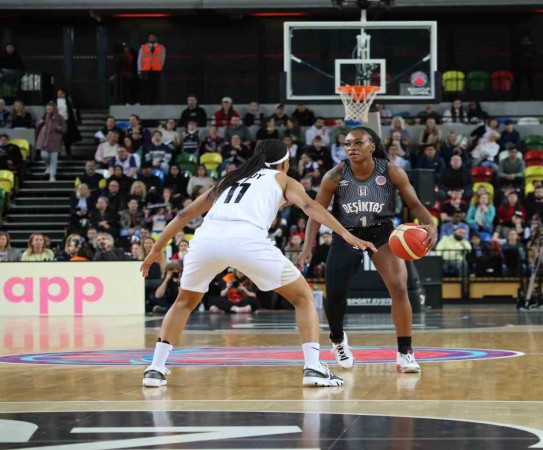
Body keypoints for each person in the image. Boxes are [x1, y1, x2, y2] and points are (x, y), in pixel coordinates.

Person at [140, 139, 376, 388]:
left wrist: (156, 249)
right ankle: (313, 367)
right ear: (284, 162)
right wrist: (347, 234)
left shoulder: (229, 179)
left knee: (184, 303)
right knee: (303, 298)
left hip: (206, 240)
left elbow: (184, 215)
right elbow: (308, 206)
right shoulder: (282, 179)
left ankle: (155, 368)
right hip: (246, 240)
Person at [297, 127, 438, 374]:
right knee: (336, 293)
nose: (351, 148)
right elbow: (315, 213)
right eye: (347, 144)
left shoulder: (391, 171)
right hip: (347, 235)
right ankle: (338, 340)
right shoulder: (335, 175)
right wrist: (308, 245)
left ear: (372, 146)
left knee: (399, 287)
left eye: (358, 143)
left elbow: (414, 203)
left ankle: (405, 353)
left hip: (381, 234)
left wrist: (431, 223)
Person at [35, 101, 67, 182]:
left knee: (54, 159)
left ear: (54, 109)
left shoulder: (59, 118)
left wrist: (57, 127)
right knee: (44, 155)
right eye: (47, 109)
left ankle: (52, 176)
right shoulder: (44, 116)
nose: (48, 110)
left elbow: (64, 129)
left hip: (55, 141)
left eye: (50, 109)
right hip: (43, 140)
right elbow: (37, 126)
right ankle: (48, 167)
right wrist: (40, 123)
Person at [137, 33, 166, 104]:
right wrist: (139, 70)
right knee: (145, 87)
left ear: (156, 38)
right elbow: (139, 59)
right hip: (145, 70)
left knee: (155, 88)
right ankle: (145, 102)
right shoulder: (143, 47)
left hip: (156, 71)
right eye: (150, 37)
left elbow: (163, 59)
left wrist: (160, 68)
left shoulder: (161, 47)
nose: (152, 38)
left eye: (153, 37)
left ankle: (155, 102)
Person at [55, 89, 81, 158]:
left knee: (67, 138)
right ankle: (57, 153)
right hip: (57, 122)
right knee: (58, 138)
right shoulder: (55, 101)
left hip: (66, 121)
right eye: (58, 93)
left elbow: (72, 111)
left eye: (61, 93)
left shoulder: (68, 101)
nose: (59, 94)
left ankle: (68, 152)